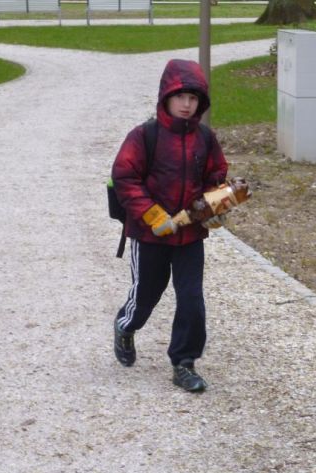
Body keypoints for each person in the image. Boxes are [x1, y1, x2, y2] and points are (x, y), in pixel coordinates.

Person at [111, 59, 228, 392]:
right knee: (146, 296)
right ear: (166, 97)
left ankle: (184, 362)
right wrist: (151, 214)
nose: (187, 104)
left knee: (192, 298)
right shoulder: (144, 136)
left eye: (193, 98)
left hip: (190, 235)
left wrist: (215, 206)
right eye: (181, 97)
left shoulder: (206, 138)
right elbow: (125, 177)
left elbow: (216, 175)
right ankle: (125, 326)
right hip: (150, 236)